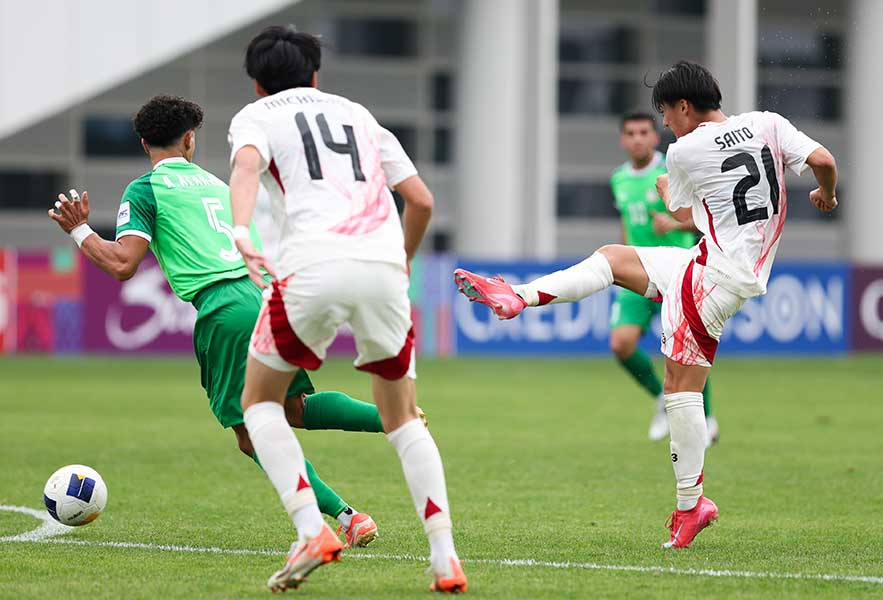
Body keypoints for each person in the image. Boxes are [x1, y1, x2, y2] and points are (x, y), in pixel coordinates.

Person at [454, 60, 837, 549]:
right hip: (710, 264)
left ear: (683, 106)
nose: (664, 125)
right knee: (613, 259)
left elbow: (680, 213)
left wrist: (663, 189)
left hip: (713, 280)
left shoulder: (684, 150)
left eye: (666, 114)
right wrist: (824, 195)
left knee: (680, 389)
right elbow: (823, 160)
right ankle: (519, 296)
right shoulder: (769, 123)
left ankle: (690, 505)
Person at [47, 94, 403, 549]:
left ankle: (343, 519)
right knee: (293, 409)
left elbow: (122, 264)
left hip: (226, 308)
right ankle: (396, 416)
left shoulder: (145, 190)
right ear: (190, 140)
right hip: (267, 297)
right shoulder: (218, 186)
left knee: (253, 436)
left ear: (143, 144)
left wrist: (79, 230)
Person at [227, 27, 466, 592]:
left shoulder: (256, 115)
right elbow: (422, 200)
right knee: (404, 419)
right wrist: (401, 263)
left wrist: (241, 229)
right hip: (382, 268)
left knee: (259, 403)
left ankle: (312, 527)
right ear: (315, 75)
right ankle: (444, 557)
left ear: (258, 83)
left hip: (309, 264)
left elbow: (245, 169)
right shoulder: (357, 114)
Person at [609, 111, 718, 445]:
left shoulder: (672, 171)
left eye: (644, 132)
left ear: (656, 137)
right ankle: (660, 396)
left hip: (677, 270)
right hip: (638, 270)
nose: (637, 138)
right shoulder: (619, 179)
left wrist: (675, 224)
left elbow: (705, 217)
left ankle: (706, 418)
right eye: (631, 133)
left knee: (686, 350)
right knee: (621, 344)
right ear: (623, 140)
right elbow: (628, 222)